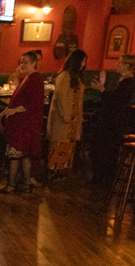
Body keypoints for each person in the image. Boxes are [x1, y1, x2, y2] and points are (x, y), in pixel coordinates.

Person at [0, 51, 45, 194]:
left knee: (15, 154)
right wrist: (2, 114)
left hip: (25, 124)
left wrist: (14, 111)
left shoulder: (35, 80)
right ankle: (26, 183)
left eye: (25, 62)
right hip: (21, 123)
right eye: (21, 62)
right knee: (24, 155)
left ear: (34, 63)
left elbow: (32, 104)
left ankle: (12, 184)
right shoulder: (26, 78)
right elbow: (14, 101)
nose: (22, 65)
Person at [90, 54, 135, 190]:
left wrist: (102, 90)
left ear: (126, 66)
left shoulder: (128, 82)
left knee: (108, 150)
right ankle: (100, 178)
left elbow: (115, 101)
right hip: (110, 119)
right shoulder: (121, 80)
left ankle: (106, 180)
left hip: (114, 121)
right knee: (102, 148)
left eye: (119, 62)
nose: (116, 64)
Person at [47, 49, 87, 177]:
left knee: (69, 144)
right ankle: (55, 170)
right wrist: (65, 115)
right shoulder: (64, 76)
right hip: (64, 117)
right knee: (59, 143)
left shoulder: (76, 77)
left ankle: (63, 170)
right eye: (82, 61)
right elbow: (60, 97)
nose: (84, 64)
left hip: (73, 117)